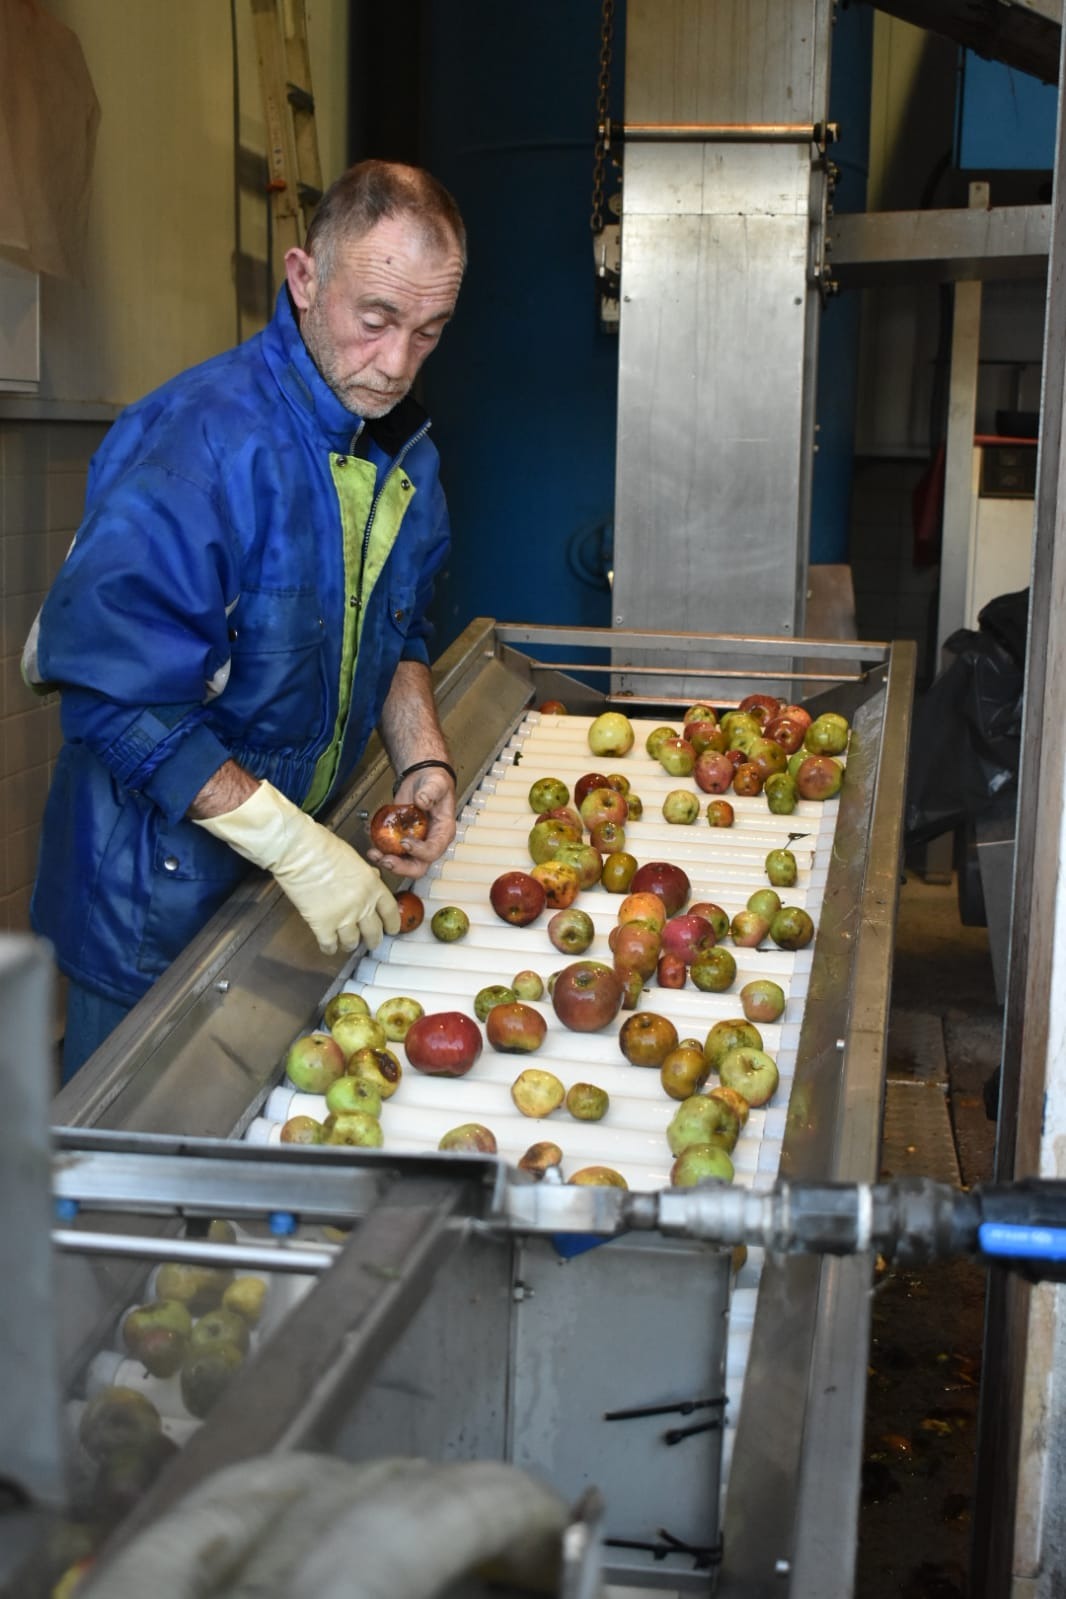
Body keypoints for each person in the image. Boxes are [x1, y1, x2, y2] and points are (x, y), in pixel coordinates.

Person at [24, 160, 467, 1079]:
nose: (396, 364)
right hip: (155, 906)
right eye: (375, 320)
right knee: (127, 1172)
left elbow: (400, 633)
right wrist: (293, 845)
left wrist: (424, 757)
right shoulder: (195, 444)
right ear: (305, 279)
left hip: (284, 898)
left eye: (428, 332)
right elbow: (111, 704)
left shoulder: (400, 457)